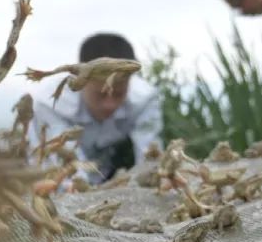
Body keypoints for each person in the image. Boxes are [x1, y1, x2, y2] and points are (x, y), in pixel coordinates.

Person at [27, 32, 163, 184]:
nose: (109, 105)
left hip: (105, 171)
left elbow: (149, 154)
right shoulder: (51, 104)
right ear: (81, 81)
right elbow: (66, 167)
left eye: (118, 94)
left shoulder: (144, 99)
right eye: (101, 95)